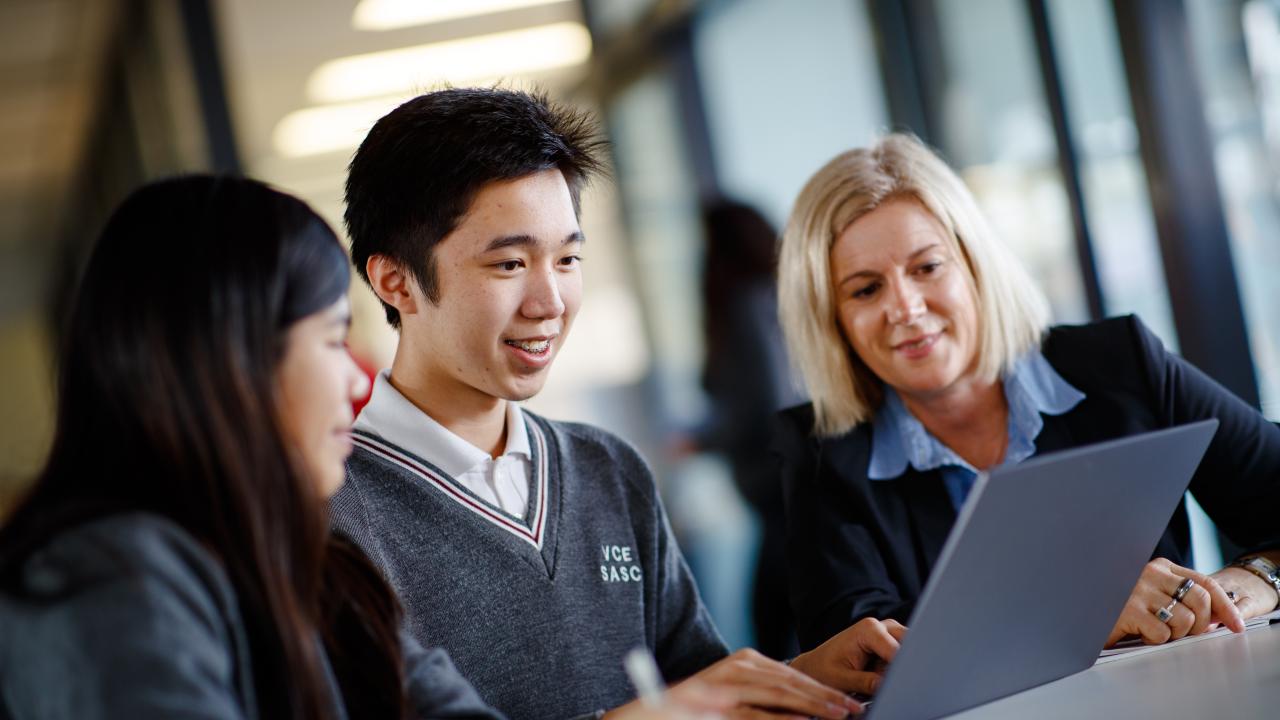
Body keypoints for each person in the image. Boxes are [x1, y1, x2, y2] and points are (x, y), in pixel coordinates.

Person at [332, 87, 904, 720]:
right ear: (396, 281)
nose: (549, 300)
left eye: (568, 258)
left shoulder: (608, 468)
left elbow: (691, 688)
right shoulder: (330, 519)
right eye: (510, 264)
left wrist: (803, 679)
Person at [0, 175, 503, 719]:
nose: (358, 381)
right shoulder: (107, 578)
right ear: (238, 360)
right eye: (334, 339)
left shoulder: (313, 569)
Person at [773, 133, 1280, 653]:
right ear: (831, 319)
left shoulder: (1121, 364)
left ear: (975, 265)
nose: (905, 307)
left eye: (927, 268)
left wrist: (1259, 578)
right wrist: (1080, 612)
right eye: (865, 289)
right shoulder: (818, 455)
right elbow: (853, 659)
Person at [693, 199, 803, 659]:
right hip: (782, 474)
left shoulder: (745, 305)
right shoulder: (775, 296)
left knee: (774, 608)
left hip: (775, 476)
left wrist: (702, 439)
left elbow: (763, 401)